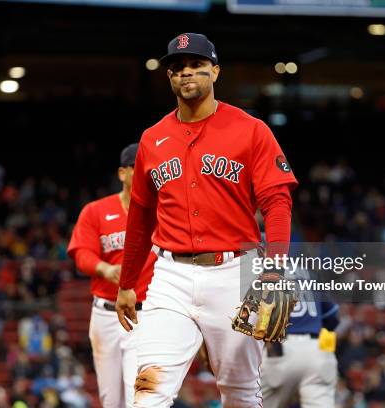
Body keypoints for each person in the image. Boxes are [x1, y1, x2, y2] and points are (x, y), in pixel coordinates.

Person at [116, 33, 298, 407]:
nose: (187, 74)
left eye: (197, 65)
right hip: (171, 278)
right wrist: (128, 282)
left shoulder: (251, 130)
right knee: (148, 392)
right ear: (168, 78)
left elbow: (277, 202)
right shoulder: (153, 139)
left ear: (215, 71)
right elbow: (139, 219)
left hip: (234, 273)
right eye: (178, 68)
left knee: (240, 393)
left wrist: (275, 268)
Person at [67, 143, 155, 408]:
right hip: (105, 313)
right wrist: (105, 269)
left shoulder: (162, 212)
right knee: (110, 399)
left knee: (137, 396)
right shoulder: (96, 211)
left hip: (143, 314)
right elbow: (81, 252)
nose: (142, 174)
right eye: (135, 168)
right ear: (122, 173)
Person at [261, 288, 340, 408]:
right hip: (316, 349)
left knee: (255, 403)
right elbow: (332, 318)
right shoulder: (311, 275)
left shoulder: (260, 276)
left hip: (278, 350)